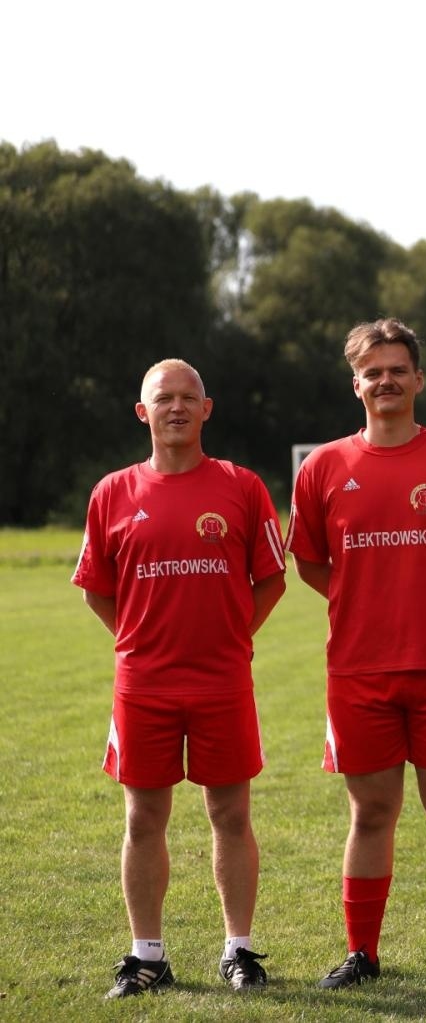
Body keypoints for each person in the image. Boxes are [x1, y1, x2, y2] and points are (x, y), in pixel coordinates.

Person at [288, 319, 426, 987]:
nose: (385, 380)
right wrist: (367, 597)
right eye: (372, 370)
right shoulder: (323, 465)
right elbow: (311, 562)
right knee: (371, 811)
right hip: (359, 667)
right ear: (356, 384)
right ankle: (363, 952)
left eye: (396, 369)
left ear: (419, 378)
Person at [73, 359, 287, 998]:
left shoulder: (242, 487)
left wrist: (232, 636)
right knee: (143, 818)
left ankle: (239, 950)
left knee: (230, 812)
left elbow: (272, 578)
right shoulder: (112, 492)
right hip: (143, 684)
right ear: (143, 412)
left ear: (207, 408)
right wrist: (138, 639)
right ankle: (147, 957)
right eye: (163, 398)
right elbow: (95, 590)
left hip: (223, 680)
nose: (176, 407)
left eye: (187, 397)